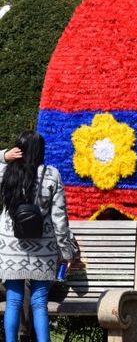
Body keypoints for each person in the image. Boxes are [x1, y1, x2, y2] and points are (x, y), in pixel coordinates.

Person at [1, 131, 78, 342]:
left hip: (10, 247)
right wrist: (66, 252)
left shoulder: (6, 172)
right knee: (39, 301)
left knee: (13, 300)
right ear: (41, 151)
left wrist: (4, 156)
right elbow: (59, 219)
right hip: (43, 249)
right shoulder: (52, 175)